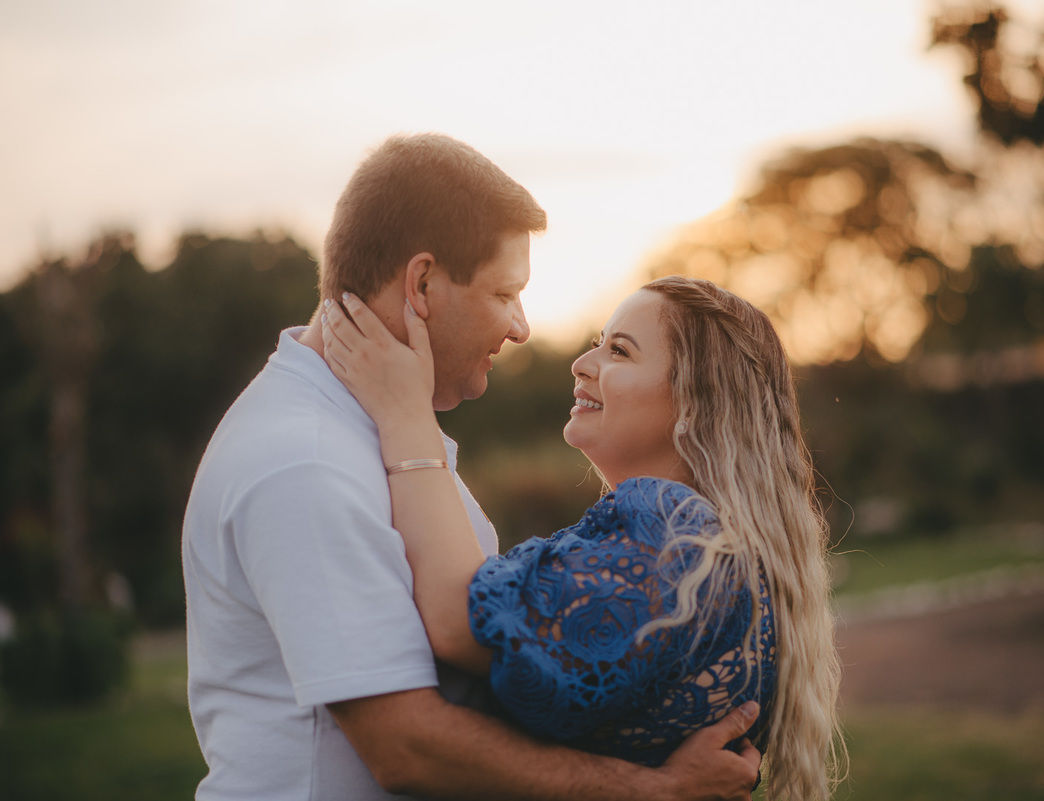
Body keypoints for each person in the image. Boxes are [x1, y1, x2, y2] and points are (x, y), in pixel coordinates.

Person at [182, 133, 761, 801]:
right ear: (422, 283)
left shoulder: (380, 433)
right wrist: (649, 789)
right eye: (505, 292)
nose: (521, 326)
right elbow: (405, 746)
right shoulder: (305, 461)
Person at [319, 275, 845, 800]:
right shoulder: (712, 547)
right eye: (598, 342)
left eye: (619, 351)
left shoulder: (678, 530)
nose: (582, 363)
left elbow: (461, 622)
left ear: (696, 403)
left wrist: (405, 414)